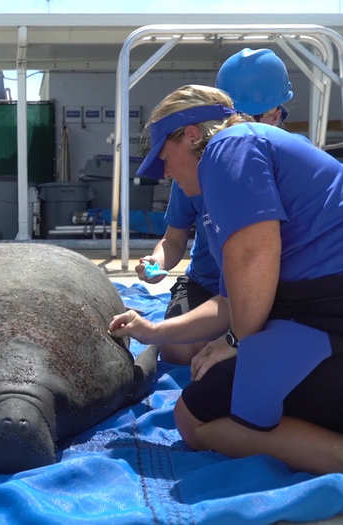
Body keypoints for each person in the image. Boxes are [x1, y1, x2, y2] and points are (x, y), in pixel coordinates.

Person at [110, 84, 343, 474]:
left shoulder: (228, 148)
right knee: (194, 407)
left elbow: (255, 258)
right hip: (314, 310)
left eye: (164, 157)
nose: (164, 171)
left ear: (191, 135)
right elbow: (239, 295)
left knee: (193, 418)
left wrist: (237, 340)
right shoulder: (247, 151)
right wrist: (152, 330)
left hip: (326, 315)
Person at [136, 47, 294, 364]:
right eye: (238, 120)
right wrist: (156, 265)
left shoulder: (282, 164)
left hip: (265, 285)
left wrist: (235, 336)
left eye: (254, 120)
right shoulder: (193, 173)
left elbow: (255, 262)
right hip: (212, 284)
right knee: (182, 347)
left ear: (276, 115)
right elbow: (174, 237)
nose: (242, 134)